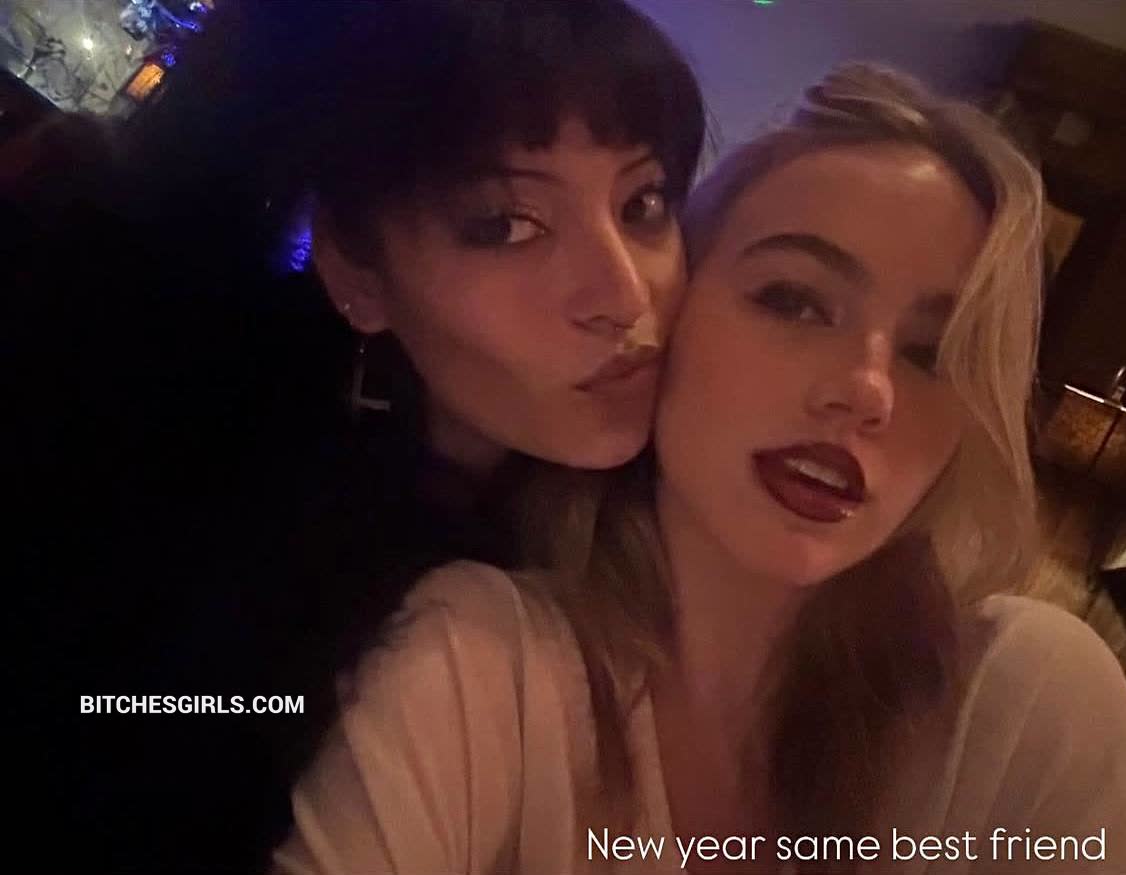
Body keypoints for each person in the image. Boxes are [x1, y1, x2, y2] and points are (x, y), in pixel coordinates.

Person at [272, 65, 1126, 874]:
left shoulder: (1031, 703)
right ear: (671, 319)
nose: (866, 390)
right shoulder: (478, 663)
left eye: (933, 353)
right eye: (794, 300)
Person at [7, 2, 704, 872]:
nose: (624, 295)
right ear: (354, 270)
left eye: (643, 204)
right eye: (506, 224)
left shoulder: (671, 534)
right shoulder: (209, 502)